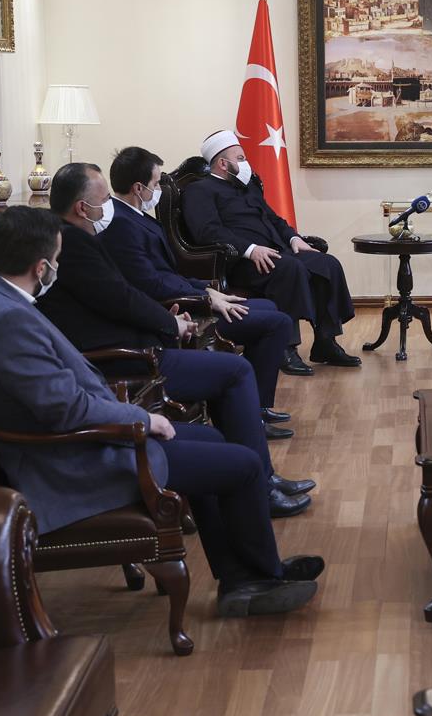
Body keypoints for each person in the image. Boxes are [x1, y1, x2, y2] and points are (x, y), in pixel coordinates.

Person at [0, 206, 324, 616]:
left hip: (68, 438)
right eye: (55, 260)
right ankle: (255, 580)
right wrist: (142, 418)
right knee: (244, 465)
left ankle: (246, 576)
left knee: (214, 439)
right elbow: (65, 410)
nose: (57, 268)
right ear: (40, 268)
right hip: (67, 460)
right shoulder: (8, 322)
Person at [36, 162, 314, 518]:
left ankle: (261, 481)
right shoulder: (73, 242)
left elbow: (119, 295)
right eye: (103, 199)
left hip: (136, 343)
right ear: (81, 207)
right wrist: (171, 324)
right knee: (236, 371)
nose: (107, 206)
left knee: (233, 371)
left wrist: (169, 315)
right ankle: (262, 486)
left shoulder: (69, 236)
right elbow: (122, 298)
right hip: (127, 358)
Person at [101, 146, 301, 438]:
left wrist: (208, 289)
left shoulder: (137, 217)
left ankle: (256, 408)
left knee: (269, 308)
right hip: (181, 309)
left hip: (189, 296)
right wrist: (207, 298)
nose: (159, 191)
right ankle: (253, 414)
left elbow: (168, 275)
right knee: (277, 323)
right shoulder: (122, 225)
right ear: (138, 188)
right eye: (156, 183)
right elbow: (152, 283)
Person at [183, 130, 359, 370]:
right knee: (289, 269)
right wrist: (250, 249)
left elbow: (274, 219)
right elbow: (207, 232)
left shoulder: (248, 186)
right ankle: (285, 348)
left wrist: (294, 238)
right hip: (240, 262)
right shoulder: (200, 190)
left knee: (327, 264)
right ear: (223, 164)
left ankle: (326, 342)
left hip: (277, 251)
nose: (246, 163)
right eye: (240, 158)